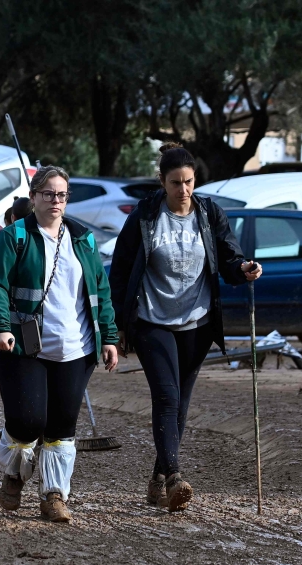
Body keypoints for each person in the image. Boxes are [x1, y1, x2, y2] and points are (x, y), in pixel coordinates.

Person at [109, 143, 261, 513]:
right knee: (166, 396)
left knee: (180, 407)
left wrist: (243, 269)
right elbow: (121, 270)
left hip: (197, 322)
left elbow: (228, 258)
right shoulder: (145, 215)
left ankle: (157, 478)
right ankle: (175, 476)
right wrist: (118, 325)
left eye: (189, 182)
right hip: (151, 320)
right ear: (162, 182)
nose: (184, 190)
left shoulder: (209, 214)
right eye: (175, 183)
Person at [0, 165, 119, 523]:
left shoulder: (83, 238)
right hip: (25, 347)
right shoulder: (15, 236)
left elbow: (100, 292)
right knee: (28, 421)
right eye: (48, 194)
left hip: (76, 348)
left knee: (61, 426)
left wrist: (109, 337)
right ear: (33, 198)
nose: (55, 201)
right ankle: (14, 473)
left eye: (61, 195)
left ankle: (54, 495)